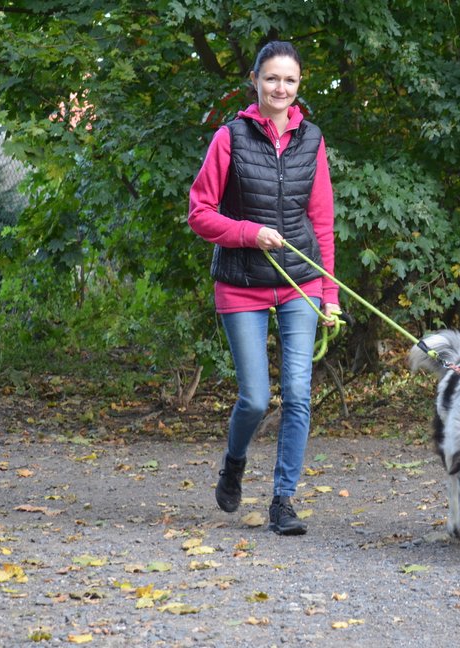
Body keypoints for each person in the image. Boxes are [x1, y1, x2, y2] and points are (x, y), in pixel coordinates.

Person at [188, 40, 339, 536]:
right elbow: (200, 214)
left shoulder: (311, 139)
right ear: (255, 80)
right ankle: (234, 463)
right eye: (271, 78)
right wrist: (250, 233)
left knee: (298, 394)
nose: (280, 88)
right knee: (255, 398)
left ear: (299, 86)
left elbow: (321, 221)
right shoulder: (229, 137)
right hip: (242, 282)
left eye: (289, 80)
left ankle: (283, 500)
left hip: (302, 283)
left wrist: (330, 296)